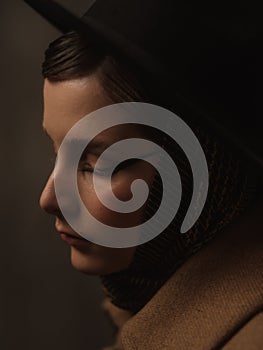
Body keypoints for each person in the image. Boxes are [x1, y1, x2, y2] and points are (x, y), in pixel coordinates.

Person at [25, 1, 263, 349]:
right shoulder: (139, 306)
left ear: (204, 171)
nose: (49, 199)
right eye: (56, 152)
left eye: (97, 165)